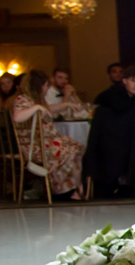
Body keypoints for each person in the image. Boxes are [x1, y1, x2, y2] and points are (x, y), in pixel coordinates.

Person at [85, 65, 135, 196]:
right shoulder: (114, 95)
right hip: (113, 144)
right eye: (133, 81)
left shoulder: (133, 99)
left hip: (128, 140)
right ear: (124, 81)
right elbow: (119, 108)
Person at [12, 71, 84, 199]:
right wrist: (36, 108)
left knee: (77, 147)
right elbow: (17, 117)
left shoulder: (35, 100)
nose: (47, 88)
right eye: (46, 85)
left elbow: (49, 108)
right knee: (69, 150)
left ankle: (73, 187)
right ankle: (65, 190)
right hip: (35, 146)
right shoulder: (23, 99)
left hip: (45, 142)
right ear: (38, 86)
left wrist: (66, 104)